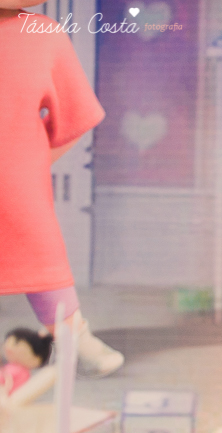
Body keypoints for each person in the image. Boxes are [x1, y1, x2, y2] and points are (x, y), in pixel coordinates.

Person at [0, 3, 125, 376]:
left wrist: (31, 165)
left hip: (17, 183)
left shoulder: (43, 35)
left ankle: (72, 333)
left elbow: (77, 116)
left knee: (43, 256)